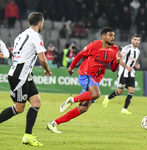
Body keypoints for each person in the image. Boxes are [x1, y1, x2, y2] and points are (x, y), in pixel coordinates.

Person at [47, 27, 122, 133]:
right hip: (86, 74)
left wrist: (117, 61)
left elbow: (114, 69)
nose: (113, 37)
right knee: (96, 94)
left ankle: (53, 123)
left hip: (96, 79)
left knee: (83, 108)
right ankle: (71, 100)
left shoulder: (115, 49)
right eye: (110, 35)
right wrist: (71, 67)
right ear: (103, 36)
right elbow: (80, 55)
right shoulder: (94, 45)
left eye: (113, 35)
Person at [0, 12, 52, 147]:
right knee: (18, 108)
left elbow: (13, 56)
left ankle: (27, 136)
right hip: (19, 77)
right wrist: (47, 70)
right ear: (40, 23)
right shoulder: (36, 36)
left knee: (36, 102)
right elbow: (42, 59)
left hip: (24, 75)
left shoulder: (21, 35)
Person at [102, 34, 141, 114]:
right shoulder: (127, 48)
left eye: (138, 40)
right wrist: (126, 67)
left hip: (131, 73)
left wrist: (136, 64)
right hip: (123, 72)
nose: (136, 41)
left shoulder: (138, 51)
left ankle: (124, 109)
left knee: (132, 90)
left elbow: (132, 60)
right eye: (135, 40)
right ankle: (108, 98)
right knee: (120, 92)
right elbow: (119, 59)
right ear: (132, 40)